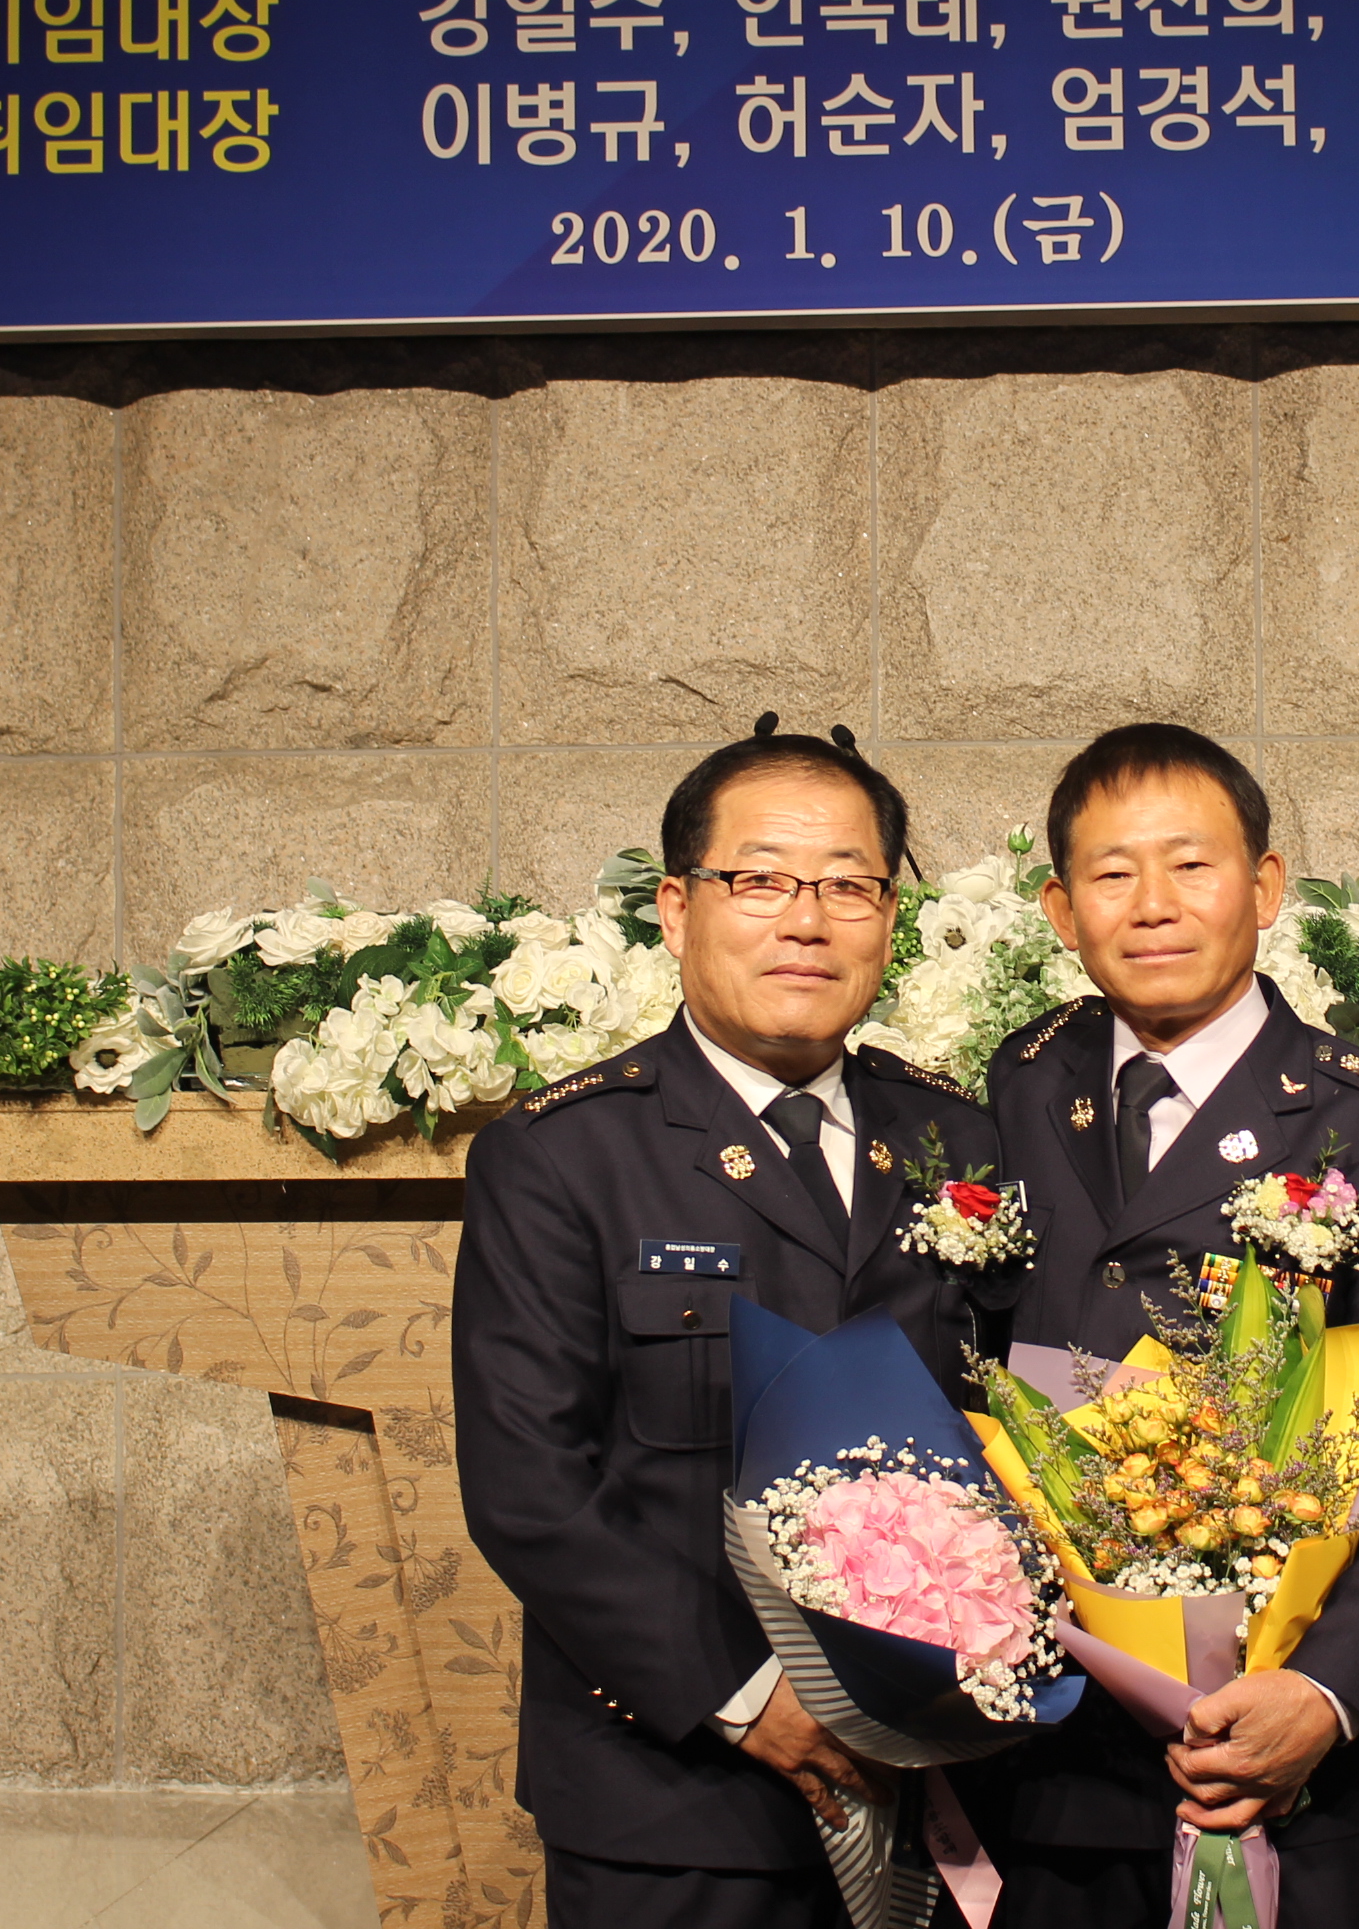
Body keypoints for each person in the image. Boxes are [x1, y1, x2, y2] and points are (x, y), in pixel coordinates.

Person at [453, 721, 1007, 1929]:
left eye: (850, 886)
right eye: (760, 880)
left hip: (945, 1763)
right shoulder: (563, 1157)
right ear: (677, 907)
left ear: (889, 919)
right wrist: (751, 1694)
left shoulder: (956, 1139)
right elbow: (527, 1487)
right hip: (673, 1796)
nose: (807, 922)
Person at [966, 723, 1359, 1927]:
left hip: (1278, 1758)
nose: (1152, 905)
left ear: (1263, 887)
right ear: (1061, 910)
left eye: (1191, 865)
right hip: (1041, 1755)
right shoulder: (1024, 1080)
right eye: (1112, 873)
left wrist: (1327, 1690)